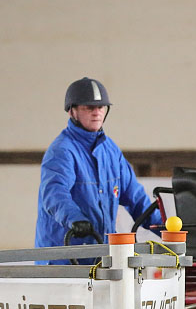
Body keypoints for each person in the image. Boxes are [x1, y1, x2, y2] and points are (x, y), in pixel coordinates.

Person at [35, 77, 161, 264]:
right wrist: (75, 219)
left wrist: (165, 228)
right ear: (72, 111)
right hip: (63, 260)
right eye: (89, 108)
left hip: (101, 258)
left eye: (101, 107)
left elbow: (136, 199)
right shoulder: (62, 151)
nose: (97, 113)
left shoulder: (111, 151)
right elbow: (55, 194)